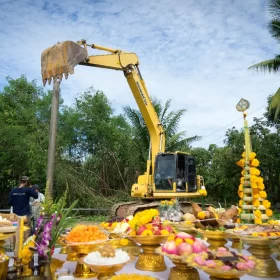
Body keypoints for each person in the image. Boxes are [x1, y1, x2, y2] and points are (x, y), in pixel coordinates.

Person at [9, 176, 38, 241]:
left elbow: (10, 202)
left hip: (15, 216)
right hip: (25, 215)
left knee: (16, 231)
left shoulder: (13, 190)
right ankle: (25, 248)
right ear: (26, 182)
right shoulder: (27, 190)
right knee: (26, 231)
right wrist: (31, 188)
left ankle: (15, 249)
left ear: (20, 181)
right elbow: (36, 196)